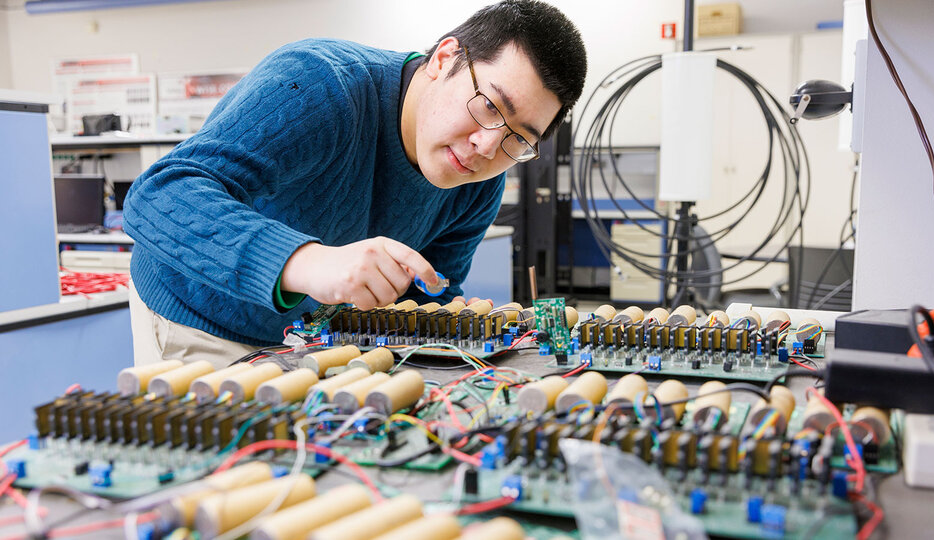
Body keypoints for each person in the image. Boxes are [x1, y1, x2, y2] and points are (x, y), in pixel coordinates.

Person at [123, 0, 588, 367]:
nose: (487, 146)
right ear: (444, 59)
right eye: (489, 105)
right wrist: (305, 262)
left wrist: (451, 320)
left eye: (518, 138)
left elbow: (423, 290)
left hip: (320, 343)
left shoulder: (478, 180)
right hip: (203, 321)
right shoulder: (319, 85)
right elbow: (159, 195)